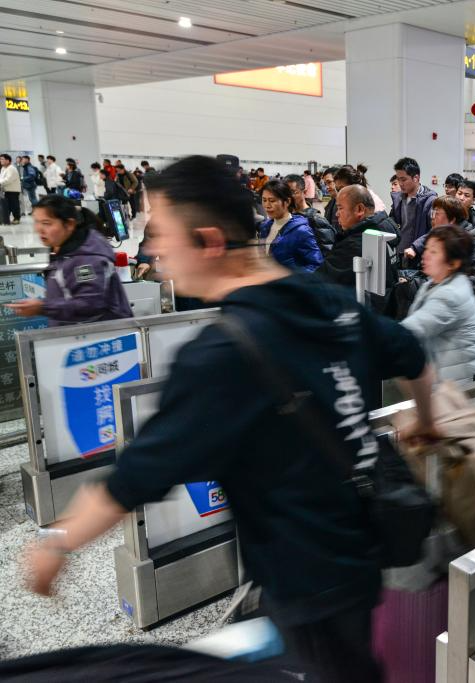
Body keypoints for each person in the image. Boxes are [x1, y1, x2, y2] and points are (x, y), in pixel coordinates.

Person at [23, 155, 438, 682]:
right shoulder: (326, 299)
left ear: (210, 242)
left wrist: (58, 544)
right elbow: (413, 356)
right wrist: (426, 422)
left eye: (163, 234)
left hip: (306, 577)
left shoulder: (221, 354)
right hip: (361, 543)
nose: (153, 250)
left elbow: (136, 475)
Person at [7, 194, 132, 325]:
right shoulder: (63, 248)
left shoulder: (86, 260)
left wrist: (42, 307)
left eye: (46, 223)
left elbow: (90, 304)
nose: (39, 229)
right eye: (36, 222)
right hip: (74, 334)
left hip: (100, 334)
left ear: (70, 224)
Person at [401, 224, 475, 382]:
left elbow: (413, 329)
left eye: (434, 252)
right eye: (426, 249)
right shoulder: (433, 283)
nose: (425, 255)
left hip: (463, 387)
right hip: (446, 380)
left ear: (453, 263)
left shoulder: (451, 295)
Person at [318, 184, 400, 310]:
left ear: (360, 209)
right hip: (386, 310)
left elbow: (320, 279)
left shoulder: (355, 244)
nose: (337, 214)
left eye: (340, 208)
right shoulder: (384, 229)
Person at [258, 179, 323, 272]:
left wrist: (292, 278)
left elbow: (316, 265)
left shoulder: (301, 231)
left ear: (287, 202)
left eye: (272, 201)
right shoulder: (265, 227)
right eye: (264, 200)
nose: (267, 205)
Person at [390, 157, 437, 255]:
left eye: (403, 179)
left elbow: (435, 230)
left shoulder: (430, 201)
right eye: (398, 179)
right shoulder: (398, 199)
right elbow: (393, 222)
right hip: (399, 253)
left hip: (419, 255)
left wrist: (416, 248)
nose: (400, 183)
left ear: (416, 178)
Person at [285, 174, 336, 254]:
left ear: (304, 192)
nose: (288, 197)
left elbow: (327, 251)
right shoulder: (285, 217)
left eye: (293, 192)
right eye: (285, 193)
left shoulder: (316, 219)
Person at [0, 154, 22, 225]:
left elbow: (8, 179)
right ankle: (5, 219)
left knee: (14, 205)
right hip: (6, 190)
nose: (0, 160)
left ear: (8, 160)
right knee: (7, 206)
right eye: (0, 159)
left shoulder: (11, 168)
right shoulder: (3, 168)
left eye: (2, 159)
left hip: (13, 190)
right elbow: (1, 179)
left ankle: (17, 218)